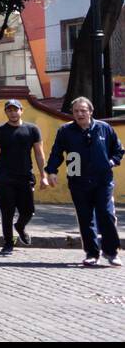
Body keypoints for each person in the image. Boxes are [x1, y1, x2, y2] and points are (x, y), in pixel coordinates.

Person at [45, 95, 125, 267]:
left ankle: (111, 252)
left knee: (106, 214)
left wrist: (110, 162)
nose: (80, 114)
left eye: (83, 110)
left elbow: (118, 150)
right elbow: (56, 153)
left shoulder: (104, 128)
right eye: (76, 111)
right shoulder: (65, 131)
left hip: (102, 180)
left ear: (90, 111)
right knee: (85, 218)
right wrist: (51, 171)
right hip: (78, 180)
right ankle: (91, 253)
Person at [0, 98, 46, 255]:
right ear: (6, 112)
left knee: (28, 211)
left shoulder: (32, 129)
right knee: (7, 212)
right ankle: (8, 243)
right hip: (5, 177)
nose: (13, 113)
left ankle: (20, 226)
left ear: (21, 111)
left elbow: (39, 154)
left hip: (25, 176)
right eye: (9, 110)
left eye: (15, 109)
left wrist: (43, 175)